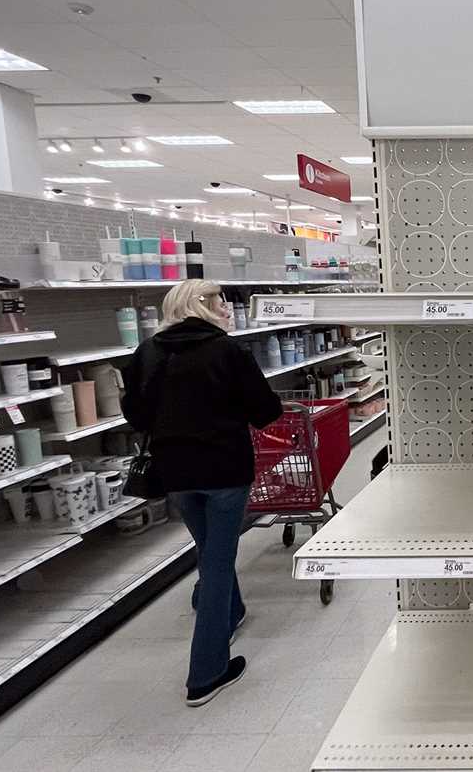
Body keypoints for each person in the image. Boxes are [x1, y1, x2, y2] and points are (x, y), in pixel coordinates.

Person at [121, 279, 282, 706]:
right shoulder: (228, 352)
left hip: (176, 472)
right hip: (224, 469)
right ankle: (207, 673)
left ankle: (232, 613)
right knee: (216, 561)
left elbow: (135, 414)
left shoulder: (147, 352)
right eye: (219, 300)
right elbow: (266, 411)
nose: (226, 307)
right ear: (201, 304)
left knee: (210, 548)